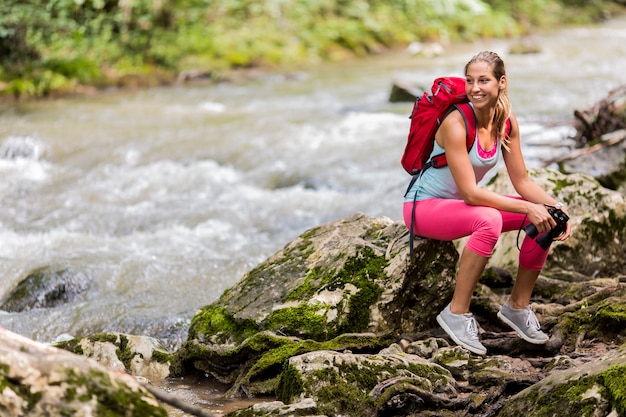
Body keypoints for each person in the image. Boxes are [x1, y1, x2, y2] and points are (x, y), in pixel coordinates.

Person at [403, 51, 572, 355]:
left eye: (484, 80)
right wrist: (527, 207)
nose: (475, 88)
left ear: (501, 82)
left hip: (462, 208)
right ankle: (455, 313)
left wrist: (555, 207)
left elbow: (522, 181)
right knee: (490, 220)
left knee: (548, 217)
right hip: (423, 208)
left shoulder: (505, 123)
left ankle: (517, 307)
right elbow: (471, 194)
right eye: (470, 81)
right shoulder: (456, 124)